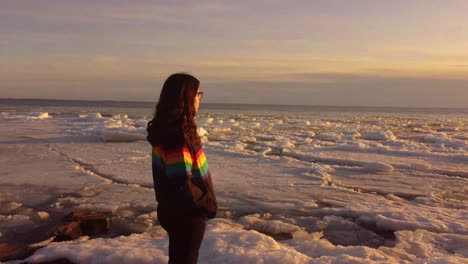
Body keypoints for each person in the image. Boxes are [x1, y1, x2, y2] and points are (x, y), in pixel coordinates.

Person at [147, 73, 218, 264]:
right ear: (186, 97)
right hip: (186, 214)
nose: (200, 98)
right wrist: (207, 204)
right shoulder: (176, 136)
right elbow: (181, 183)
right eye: (197, 94)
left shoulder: (174, 130)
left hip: (175, 210)